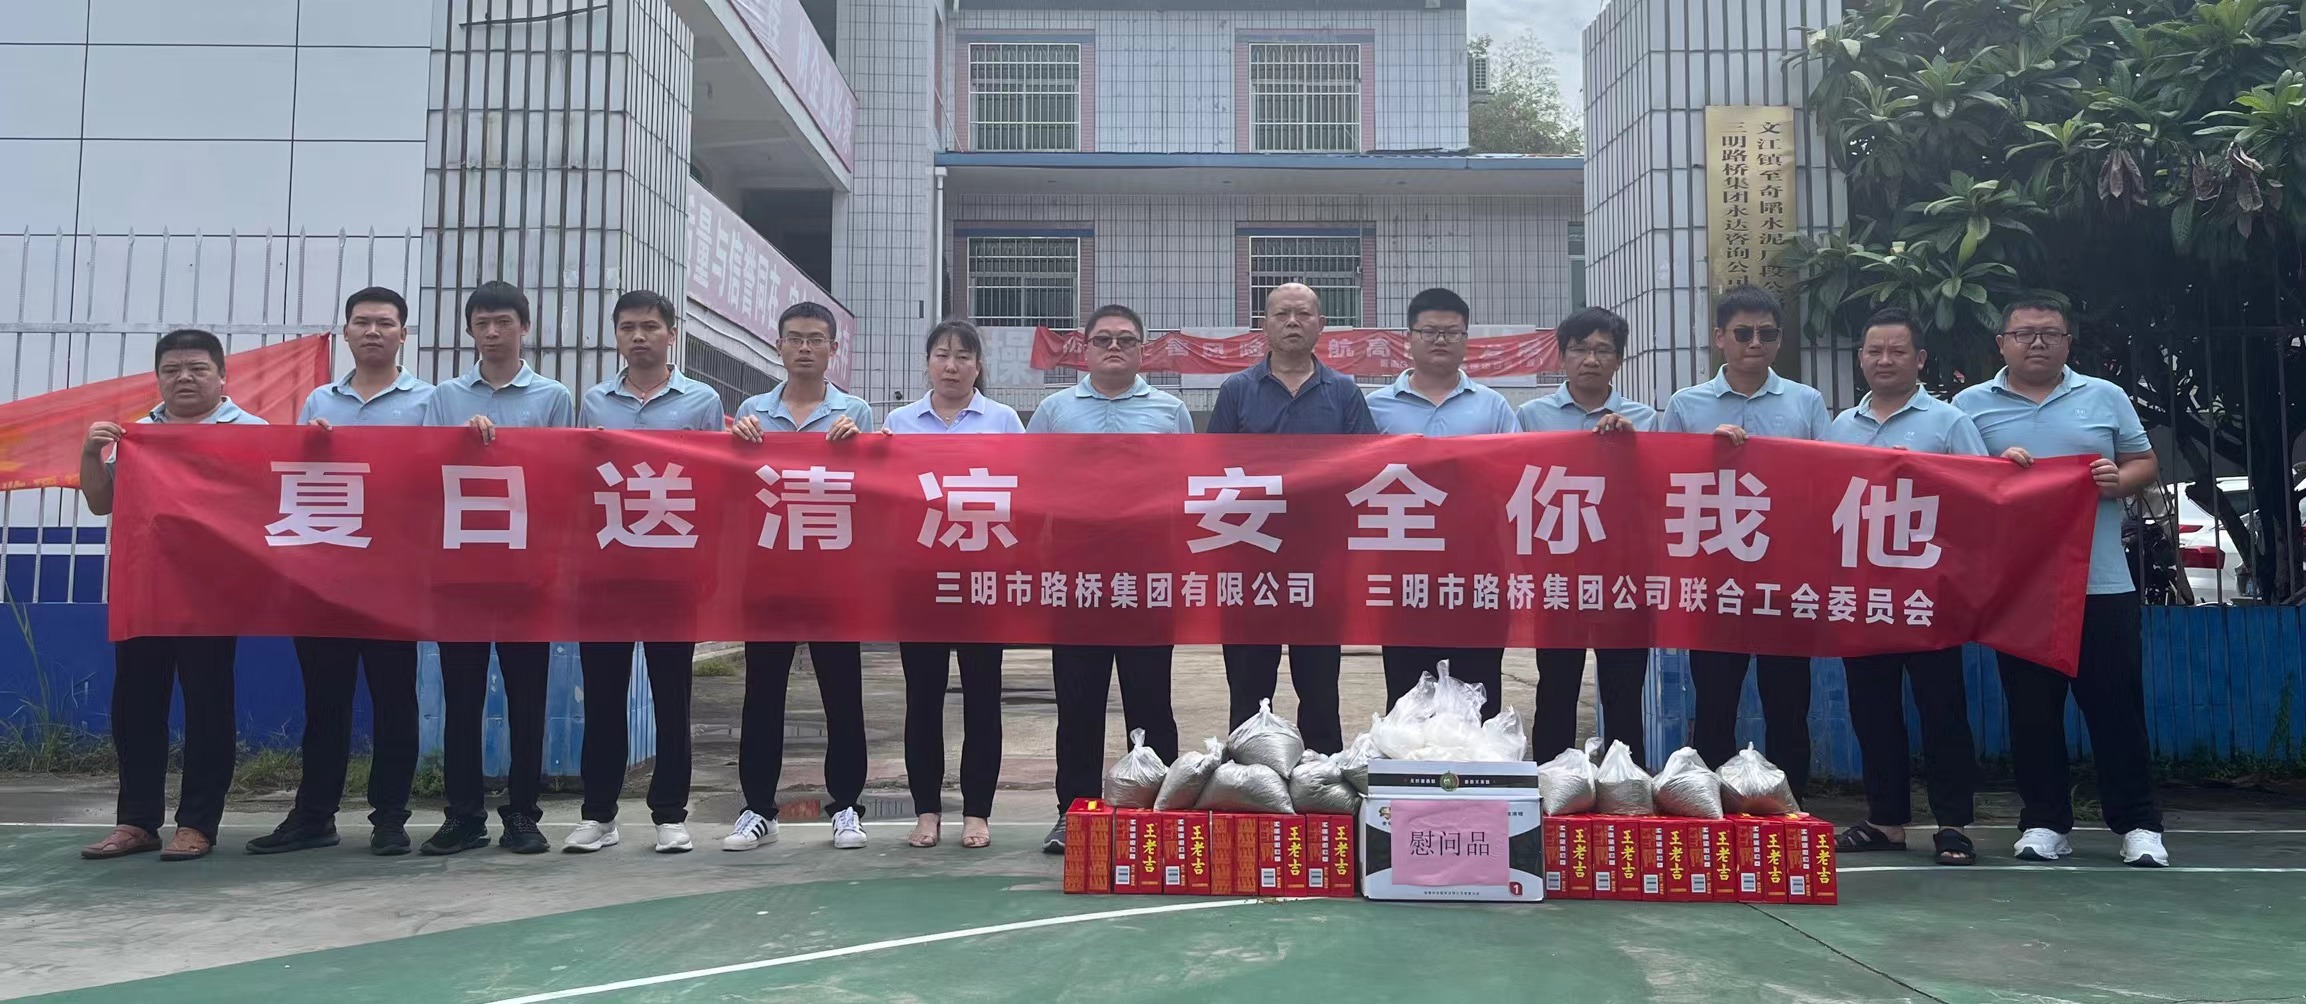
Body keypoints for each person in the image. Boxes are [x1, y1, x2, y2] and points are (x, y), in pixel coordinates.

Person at [1955, 297, 2168, 867]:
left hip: (2102, 583)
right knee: (2032, 711)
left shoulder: (2105, 396)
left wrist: (2117, 480)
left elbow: (2145, 462)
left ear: (2068, 343)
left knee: (2116, 707)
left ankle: (2139, 824)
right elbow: (1955, 480)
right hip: (2020, 588)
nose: (2037, 343)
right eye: (2024, 333)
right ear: (2001, 343)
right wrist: (1994, 470)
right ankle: (2044, 821)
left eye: (2050, 334)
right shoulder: (1969, 406)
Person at [246, 288, 433, 857]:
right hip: (326, 574)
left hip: (393, 575)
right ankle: (314, 814)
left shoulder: (429, 401)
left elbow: (439, 477)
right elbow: (296, 478)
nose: (373, 331)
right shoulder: (319, 401)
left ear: (404, 334)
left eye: (385, 323)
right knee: (325, 701)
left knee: (394, 701)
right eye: (362, 322)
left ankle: (391, 817)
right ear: (346, 332)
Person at [77, 328, 269, 862]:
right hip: (145, 590)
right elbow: (100, 503)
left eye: (197, 368)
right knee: (135, 707)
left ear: (222, 376)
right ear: (158, 378)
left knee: (208, 707)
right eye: (172, 370)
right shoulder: (136, 435)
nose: (184, 378)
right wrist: (92, 452)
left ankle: (197, 824)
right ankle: (136, 822)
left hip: (212, 594)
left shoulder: (255, 433)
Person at [1823, 307, 1987, 867]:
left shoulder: (1948, 422)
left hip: (1929, 594)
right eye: (1874, 351)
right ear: (1861, 359)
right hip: (1864, 594)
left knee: (1943, 710)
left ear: (1920, 359)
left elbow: (1982, 496)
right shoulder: (1840, 428)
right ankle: (1886, 820)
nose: (1884, 360)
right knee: (1872, 710)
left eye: (1897, 351)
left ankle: (1953, 824)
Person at [564, 290, 726, 855]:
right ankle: (598, 814)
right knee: (603, 696)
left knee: (671, 695)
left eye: (650, 326)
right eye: (628, 327)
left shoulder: (701, 402)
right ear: (616, 335)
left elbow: (714, 485)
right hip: (607, 569)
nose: (639, 336)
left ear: (671, 335)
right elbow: (580, 480)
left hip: (672, 571)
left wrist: (709, 566)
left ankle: (670, 814)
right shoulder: (594, 402)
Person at [1026, 303, 1191, 855]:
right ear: (1086, 349)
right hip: (1075, 579)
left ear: (1143, 350)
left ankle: (1156, 814)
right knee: (1079, 704)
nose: (1114, 347)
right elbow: (1027, 486)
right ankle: (1074, 813)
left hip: (1148, 578)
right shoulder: (1054, 411)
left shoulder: (1170, 412)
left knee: (1151, 702)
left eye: (1125, 339)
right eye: (1103, 339)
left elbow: (1188, 489)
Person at [420, 280, 576, 856]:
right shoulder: (445, 398)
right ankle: (463, 814)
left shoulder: (553, 397)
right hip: (460, 569)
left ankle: (523, 813)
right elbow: (422, 470)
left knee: (526, 697)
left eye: (503, 322)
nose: (492, 332)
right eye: (482, 323)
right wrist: (458, 445)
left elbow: (562, 476)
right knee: (461, 698)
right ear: (469, 331)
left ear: (524, 328)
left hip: (525, 570)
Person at [1660, 284, 1830, 794]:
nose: (1755, 343)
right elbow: (1663, 482)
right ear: (1719, 338)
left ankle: (1789, 804)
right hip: (1715, 578)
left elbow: (1829, 480)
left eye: (1767, 333)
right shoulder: (1687, 405)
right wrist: (1704, 454)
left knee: (1788, 701)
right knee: (1715, 700)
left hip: (1786, 577)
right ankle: (1709, 802)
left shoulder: (1806, 402)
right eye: (1743, 333)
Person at [722, 301, 874, 853]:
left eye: (815, 339)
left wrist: (862, 449)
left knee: (843, 694)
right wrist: (736, 449)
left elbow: (874, 491)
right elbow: (736, 491)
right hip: (770, 573)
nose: (804, 347)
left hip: (833, 575)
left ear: (833, 348)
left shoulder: (854, 411)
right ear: (779, 346)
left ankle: (847, 806)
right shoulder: (753, 413)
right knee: (762, 695)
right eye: (794, 338)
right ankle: (758, 808)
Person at [1207, 283, 1377, 754]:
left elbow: (1367, 466)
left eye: (1303, 314)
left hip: (1320, 561)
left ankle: (1322, 775)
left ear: (1321, 325)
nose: (1293, 322)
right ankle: (1248, 773)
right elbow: (1212, 469)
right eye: (1282, 314)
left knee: (1319, 684)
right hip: (1249, 555)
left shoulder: (1343, 392)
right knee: (1248, 684)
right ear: (1265, 325)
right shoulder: (1238, 391)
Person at [885, 319, 1024, 850]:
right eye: (942, 355)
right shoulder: (899, 422)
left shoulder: (1003, 420)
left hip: (982, 581)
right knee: (922, 700)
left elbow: (1028, 490)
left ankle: (976, 812)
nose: (951, 365)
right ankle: (926, 811)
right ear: (927, 363)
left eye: (963, 356)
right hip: (919, 580)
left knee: (982, 699)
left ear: (978, 366)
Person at [1365, 288, 1516, 719]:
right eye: (1429, 331)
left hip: (1477, 570)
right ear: (1408, 337)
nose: (1441, 340)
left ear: (1466, 339)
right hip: (1403, 569)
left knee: (1477, 691)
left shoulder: (1492, 407)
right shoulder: (1375, 408)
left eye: (1452, 332)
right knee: (1408, 694)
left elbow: (1517, 476)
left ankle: (1477, 761)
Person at [1515, 306, 1656, 762]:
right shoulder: (1531, 417)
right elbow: (1516, 486)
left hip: (1625, 572)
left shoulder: (1647, 420)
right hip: (1558, 570)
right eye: (1579, 349)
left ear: (1619, 360)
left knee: (1623, 688)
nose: (1591, 359)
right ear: (1562, 356)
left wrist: (1632, 449)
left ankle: (1623, 782)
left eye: (1603, 350)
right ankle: (1552, 780)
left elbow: (1660, 492)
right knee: (1556, 684)